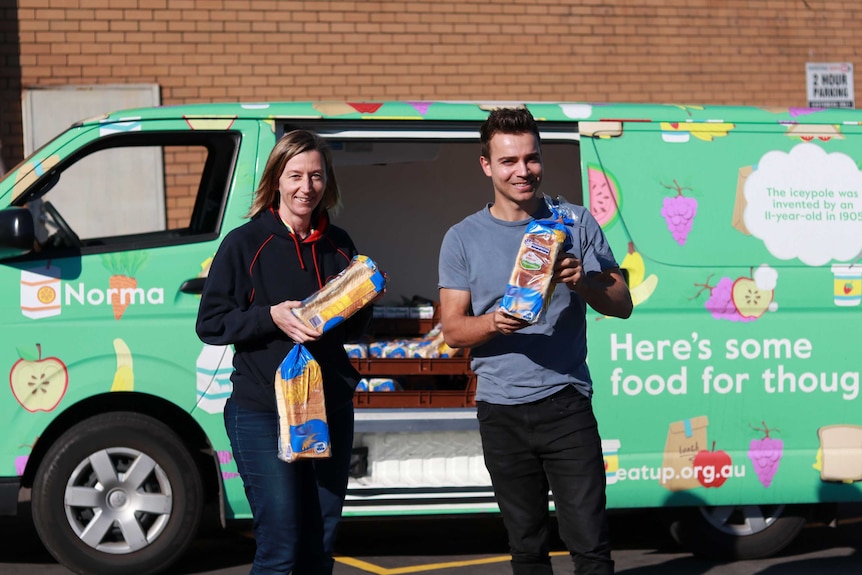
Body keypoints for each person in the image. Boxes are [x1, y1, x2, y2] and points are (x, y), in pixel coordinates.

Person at [437, 107, 632, 575]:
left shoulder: (575, 222)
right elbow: (452, 331)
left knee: (590, 545)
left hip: (566, 402)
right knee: (526, 548)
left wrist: (582, 281)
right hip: (500, 410)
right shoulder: (461, 238)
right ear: (487, 165)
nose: (522, 171)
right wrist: (497, 323)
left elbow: (622, 302)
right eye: (508, 161)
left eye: (531, 158)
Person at [196, 129, 371, 575]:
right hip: (261, 410)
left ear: (326, 181)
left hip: (326, 411)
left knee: (319, 544)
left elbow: (353, 327)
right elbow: (211, 324)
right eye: (295, 175)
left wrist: (359, 297)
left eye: (315, 176)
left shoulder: (341, 244)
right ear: (277, 178)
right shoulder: (245, 243)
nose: (305, 187)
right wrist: (269, 317)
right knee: (280, 546)